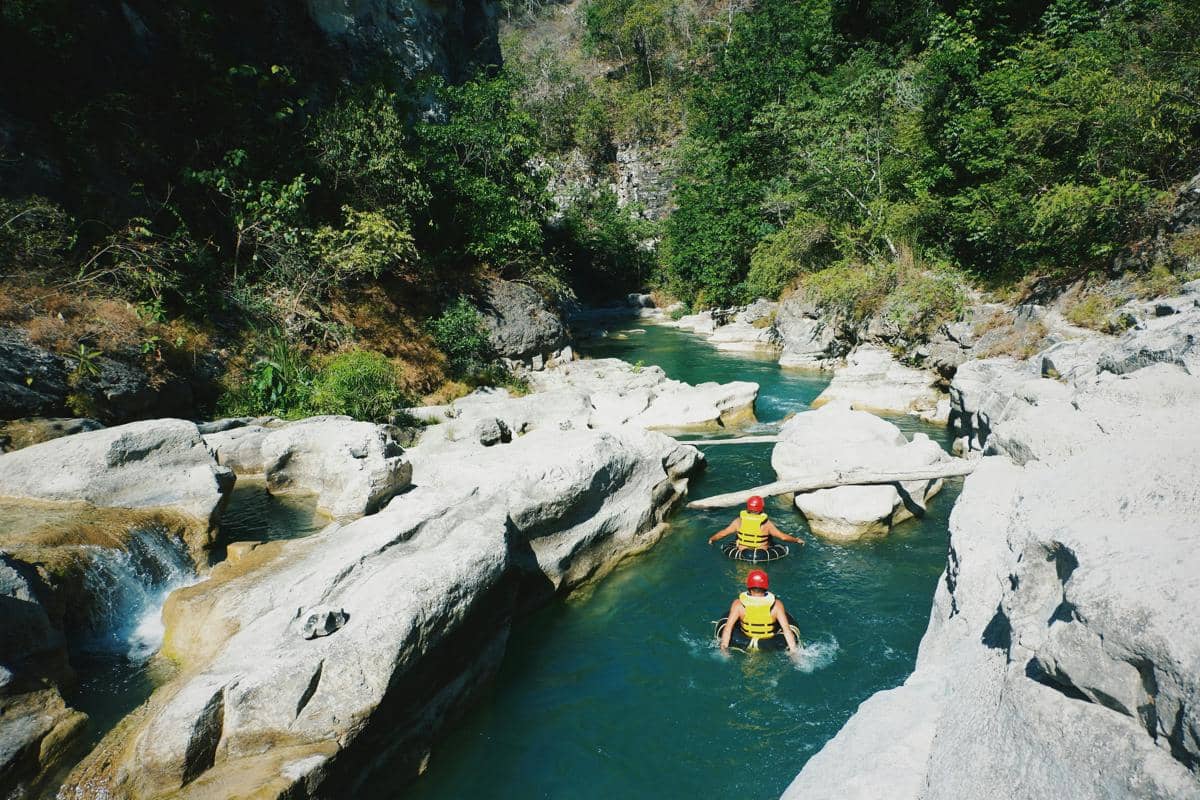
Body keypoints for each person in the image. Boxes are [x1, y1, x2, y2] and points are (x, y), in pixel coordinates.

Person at [718, 569, 798, 652]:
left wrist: (724, 650)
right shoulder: (777, 605)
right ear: (766, 586)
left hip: (744, 643)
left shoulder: (738, 604)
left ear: (749, 586)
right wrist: (794, 652)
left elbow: (728, 628)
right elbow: (787, 630)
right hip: (769, 645)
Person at [707, 495, 804, 560]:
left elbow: (723, 533)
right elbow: (783, 537)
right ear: (761, 507)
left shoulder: (738, 521)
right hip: (762, 555)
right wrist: (797, 540)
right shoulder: (766, 523)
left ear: (748, 507)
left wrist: (712, 539)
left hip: (742, 553)